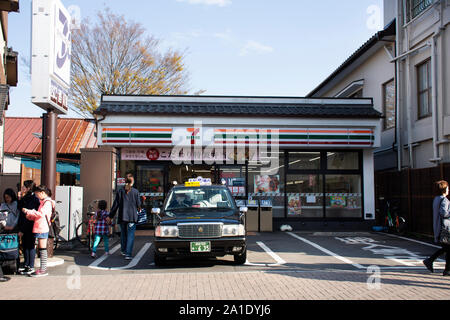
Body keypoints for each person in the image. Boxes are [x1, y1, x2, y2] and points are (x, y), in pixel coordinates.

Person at [22, 185, 55, 277]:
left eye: (37, 194)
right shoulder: (44, 202)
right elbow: (40, 214)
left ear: (42, 193)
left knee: (42, 249)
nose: (36, 196)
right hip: (41, 226)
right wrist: (30, 215)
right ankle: (42, 269)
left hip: (42, 227)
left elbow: (41, 214)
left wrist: (29, 211)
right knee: (42, 249)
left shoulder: (47, 202)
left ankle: (43, 269)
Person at [107, 173, 141, 260]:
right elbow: (138, 205)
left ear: (125, 181)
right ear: (132, 182)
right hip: (132, 217)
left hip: (122, 216)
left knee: (123, 234)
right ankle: (128, 254)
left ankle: (123, 250)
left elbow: (115, 205)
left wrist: (110, 216)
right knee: (130, 235)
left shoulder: (120, 191)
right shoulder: (135, 192)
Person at [423, 180, 450, 276]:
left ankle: (446, 270)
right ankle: (430, 260)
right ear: (444, 189)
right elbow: (444, 213)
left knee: (447, 248)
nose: (448, 189)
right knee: (447, 248)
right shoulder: (445, 200)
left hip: (438, 226)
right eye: (447, 188)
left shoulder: (436, 199)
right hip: (445, 228)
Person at [17, 180, 40, 275]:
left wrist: (22, 229)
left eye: (24, 187)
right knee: (26, 245)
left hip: (30, 225)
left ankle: (31, 265)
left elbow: (29, 214)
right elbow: (19, 208)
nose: (22, 188)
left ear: (29, 188)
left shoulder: (34, 199)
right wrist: (19, 197)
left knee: (30, 245)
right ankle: (26, 265)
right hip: (24, 224)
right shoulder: (26, 197)